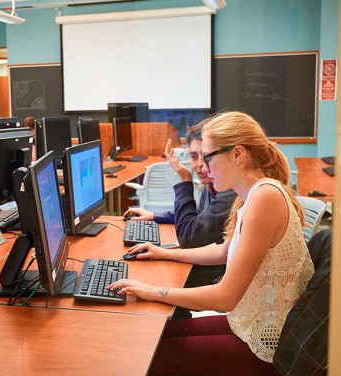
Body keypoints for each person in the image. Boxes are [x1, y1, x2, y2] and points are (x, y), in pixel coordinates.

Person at [109, 111, 315, 375]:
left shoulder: (266, 198)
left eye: (207, 157)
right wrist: (164, 253)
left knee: (149, 356)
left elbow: (225, 297)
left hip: (264, 342)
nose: (202, 168)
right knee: (160, 335)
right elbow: (223, 251)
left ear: (238, 154)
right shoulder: (249, 196)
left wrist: (152, 290)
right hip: (246, 322)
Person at [123, 121, 236, 249]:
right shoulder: (211, 184)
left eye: (206, 156)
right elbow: (198, 217)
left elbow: (188, 239)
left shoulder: (230, 191)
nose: (200, 164)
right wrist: (155, 216)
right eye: (194, 156)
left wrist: (185, 178)